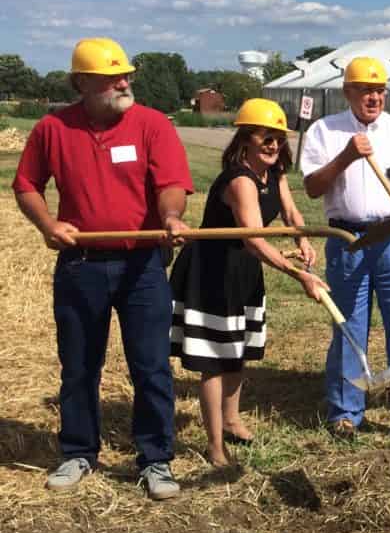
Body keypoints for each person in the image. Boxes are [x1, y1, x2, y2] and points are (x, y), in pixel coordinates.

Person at [12, 37, 193, 499]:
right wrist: (47, 224)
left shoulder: (152, 124)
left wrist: (171, 217)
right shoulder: (53, 128)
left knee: (151, 366)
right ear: (81, 83)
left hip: (142, 267)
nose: (124, 82)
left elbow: (172, 184)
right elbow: (27, 184)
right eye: (112, 77)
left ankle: (156, 460)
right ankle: (77, 452)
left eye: (126, 75)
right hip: (81, 266)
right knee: (78, 366)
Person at [169, 99, 329, 467]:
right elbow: (254, 239)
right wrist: (299, 274)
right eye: (264, 137)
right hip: (212, 270)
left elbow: (290, 212)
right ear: (245, 138)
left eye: (277, 137)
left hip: (243, 270)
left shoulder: (274, 174)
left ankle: (231, 420)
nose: (273, 144)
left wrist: (301, 238)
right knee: (213, 357)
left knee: (238, 351)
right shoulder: (240, 180)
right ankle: (214, 446)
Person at [299, 57, 390, 445]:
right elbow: (311, 187)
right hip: (348, 241)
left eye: (379, 91)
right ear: (348, 92)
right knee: (348, 327)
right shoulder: (325, 130)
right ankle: (345, 412)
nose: (373, 97)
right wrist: (346, 157)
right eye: (365, 90)